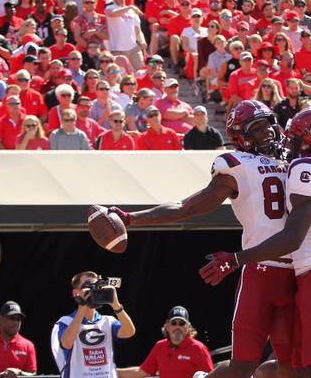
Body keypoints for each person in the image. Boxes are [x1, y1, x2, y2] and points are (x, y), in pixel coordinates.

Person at [108, 100, 297, 378]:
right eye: (258, 128)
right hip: (260, 270)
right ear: (240, 136)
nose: (269, 133)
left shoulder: (293, 160)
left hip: (298, 270)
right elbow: (187, 207)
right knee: (242, 365)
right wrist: (131, 218)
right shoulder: (236, 165)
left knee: (293, 366)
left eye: (270, 125)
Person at [199, 106, 311, 378]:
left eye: (299, 139)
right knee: (297, 365)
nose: (289, 142)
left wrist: (235, 259)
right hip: (308, 271)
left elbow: (291, 238)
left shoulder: (309, 168)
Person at [51, 271, 136, 377]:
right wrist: (82, 307)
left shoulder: (108, 321)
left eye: (96, 288)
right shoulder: (65, 322)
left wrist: (116, 305)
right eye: (88, 288)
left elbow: (129, 332)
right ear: (75, 293)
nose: (92, 292)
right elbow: (66, 343)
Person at [117, 306, 214, 378]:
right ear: (167, 326)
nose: (177, 327)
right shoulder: (160, 346)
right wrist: (113, 371)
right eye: (173, 323)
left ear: (188, 326)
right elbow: (140, 372)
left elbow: (210, 376)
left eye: (181, 323)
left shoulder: (198, 348)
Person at [0, 301, 37, 377]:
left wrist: (19, 372)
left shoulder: (28, 345)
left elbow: (33, 374)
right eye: (12, 318)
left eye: (19, 319)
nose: (16, 322)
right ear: (0, 319)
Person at [105, 0, 146, 71]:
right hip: (117, 50)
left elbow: (137, 30)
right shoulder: (110, 7)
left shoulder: (132, 11)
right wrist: (130, 7)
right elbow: (112, 13)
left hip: (134, 49)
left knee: (140, 72)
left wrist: (142, 41)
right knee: (120, 76)